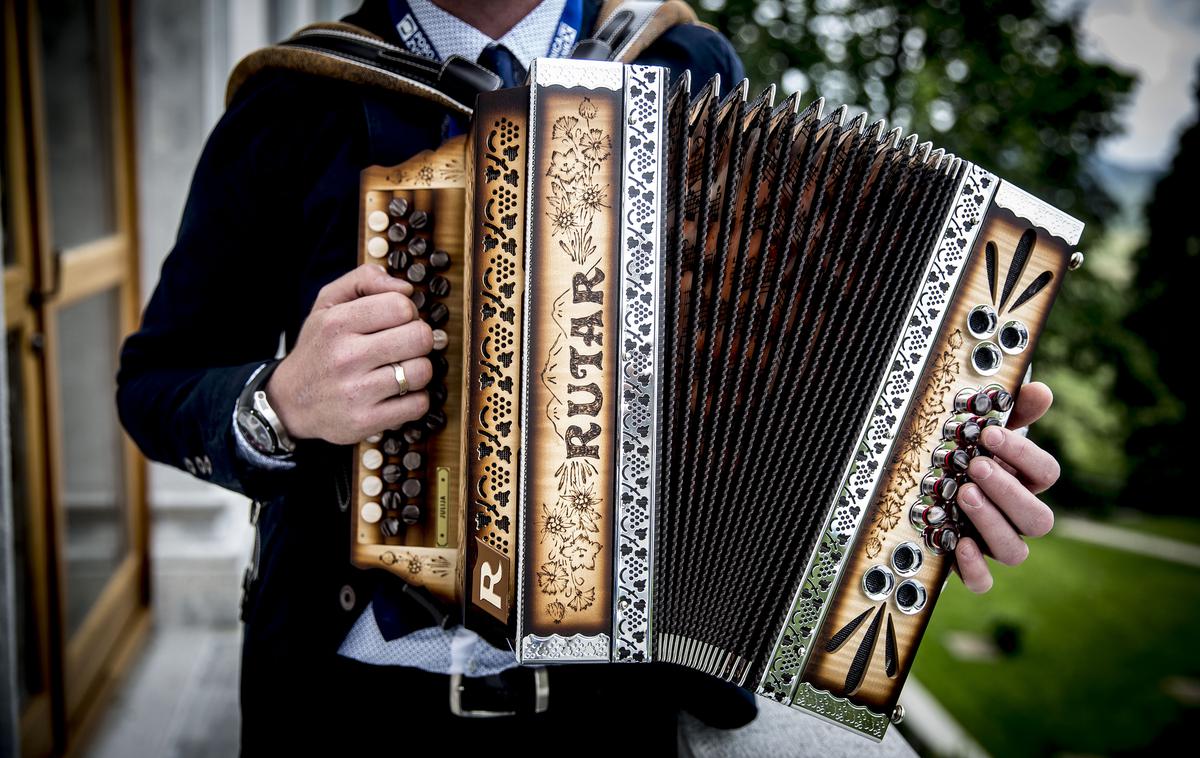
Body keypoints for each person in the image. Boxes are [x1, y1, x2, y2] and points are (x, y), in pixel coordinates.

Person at [116, 0, 1061, 754]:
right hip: (348, 700)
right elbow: (156, 383)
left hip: (620, 712)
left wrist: (923, 464)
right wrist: (279, 405)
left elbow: (782, 349)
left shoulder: (684, 64)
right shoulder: (294, 99)